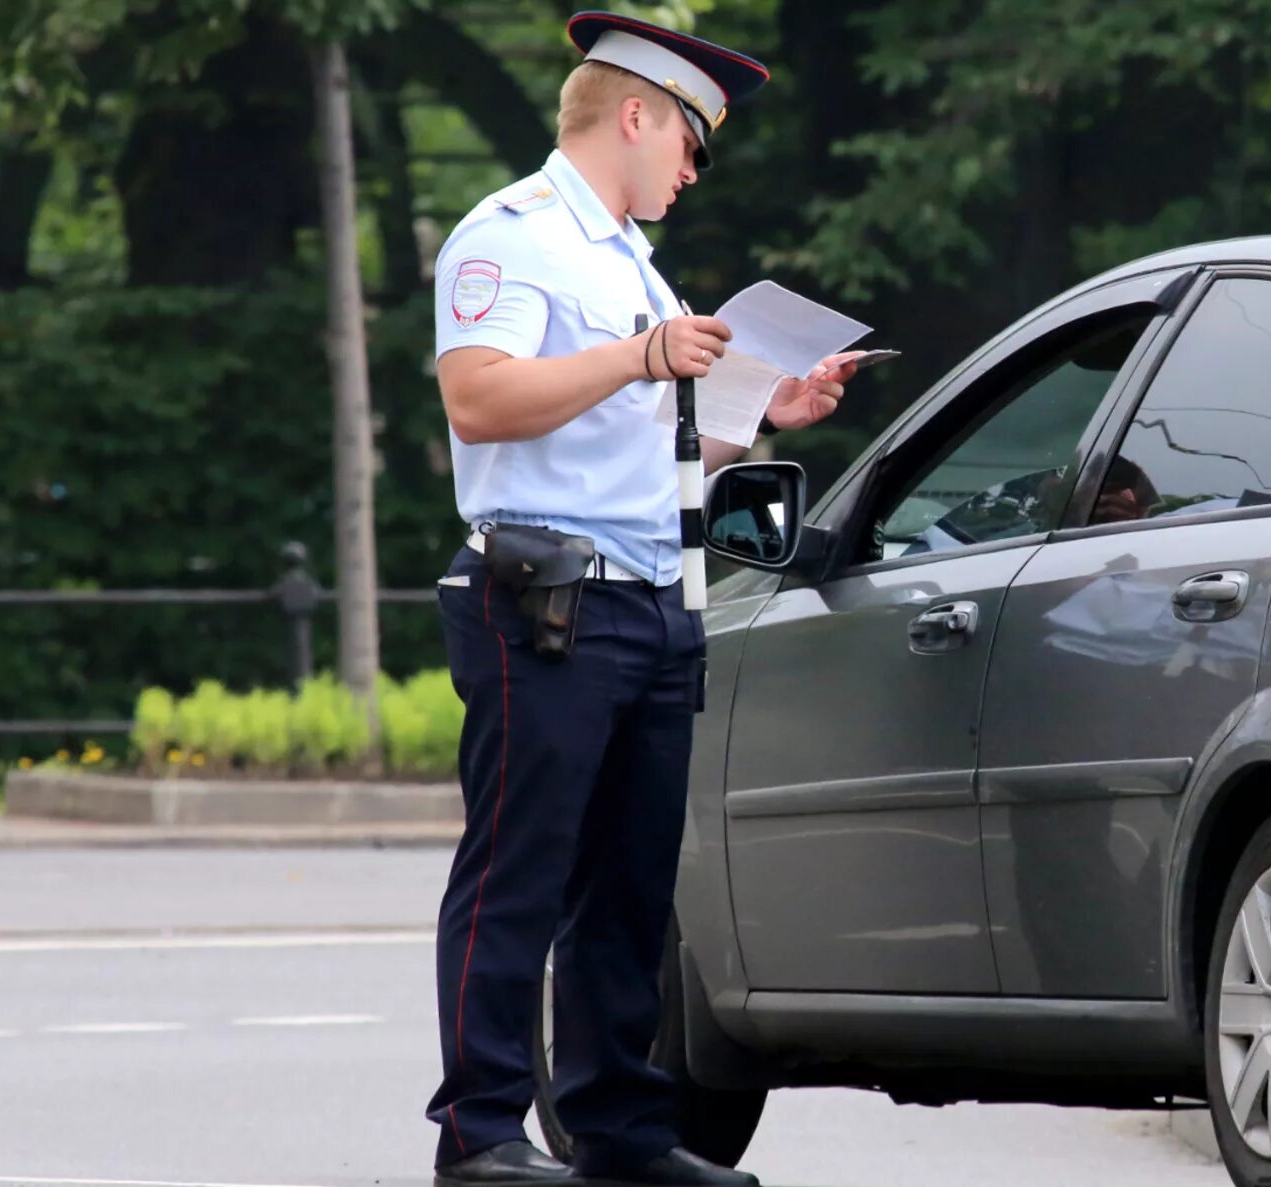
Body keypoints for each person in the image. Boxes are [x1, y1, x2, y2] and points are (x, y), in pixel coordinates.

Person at [423, 13, 862, 1187]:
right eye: (690, 143)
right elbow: (480, 400)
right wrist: (642, 355)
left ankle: (616, 1128)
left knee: (627, 886)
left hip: (652, 600)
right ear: (637, 114)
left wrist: (759, 417)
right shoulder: (512, 236)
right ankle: (478, 1133)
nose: (691, 169)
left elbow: (648, 456)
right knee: (521, 870)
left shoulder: (632, 265)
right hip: (546, 600)